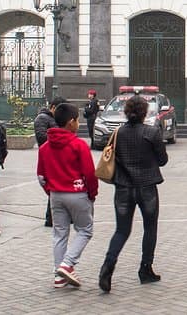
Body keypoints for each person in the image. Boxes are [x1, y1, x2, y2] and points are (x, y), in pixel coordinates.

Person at [99, 94, 168, 292]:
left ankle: (107, 268)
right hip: (147, 187)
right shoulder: (152, 132)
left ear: (126, 112)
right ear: (145, 112)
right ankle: (145, 269)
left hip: (123, 187)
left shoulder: (118, 133)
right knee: (150, 227)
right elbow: (162, 160)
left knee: (122, 230)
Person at [37, 103, 98, 289]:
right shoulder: (79, 145)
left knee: (60, 234)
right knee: (85, 230)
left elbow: (41, 176)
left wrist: (50, 191)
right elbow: (89, 173)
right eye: (77, 120)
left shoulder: (45, 147)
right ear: (71, 122)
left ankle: (59, 275)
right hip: (77, 193)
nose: (78, 123)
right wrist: (92, 193)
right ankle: (67, 264)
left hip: (56, 195)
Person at [35, 96, 68, 227]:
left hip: (58, 156)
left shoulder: (54, 119)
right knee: (54, 188)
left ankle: (59, 216)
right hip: (49, 158)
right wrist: (58, 138)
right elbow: (41, 137)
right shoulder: (42, 118)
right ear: (53, 107)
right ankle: (51, 218)